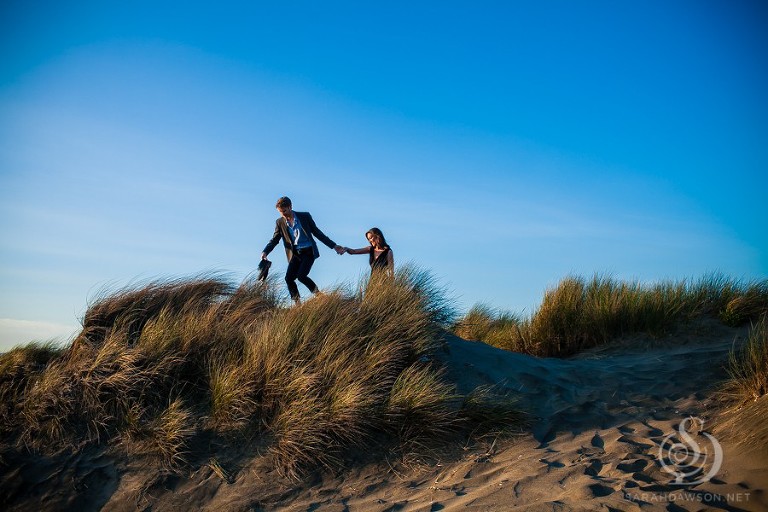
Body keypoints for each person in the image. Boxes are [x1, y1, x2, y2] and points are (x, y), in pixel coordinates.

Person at [261, 196, 344, 303]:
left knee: (301, 276)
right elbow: (274, 240)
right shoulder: (280, 222)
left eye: (284, 211)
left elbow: (317, 233)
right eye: (280, 212)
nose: (283, 214)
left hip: (308, 252)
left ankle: (319, 295)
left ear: (290, 207)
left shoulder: (304, 216)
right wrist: (265, 251)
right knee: (289, 278)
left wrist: (334, 246)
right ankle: (297, 303)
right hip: (295, 254)